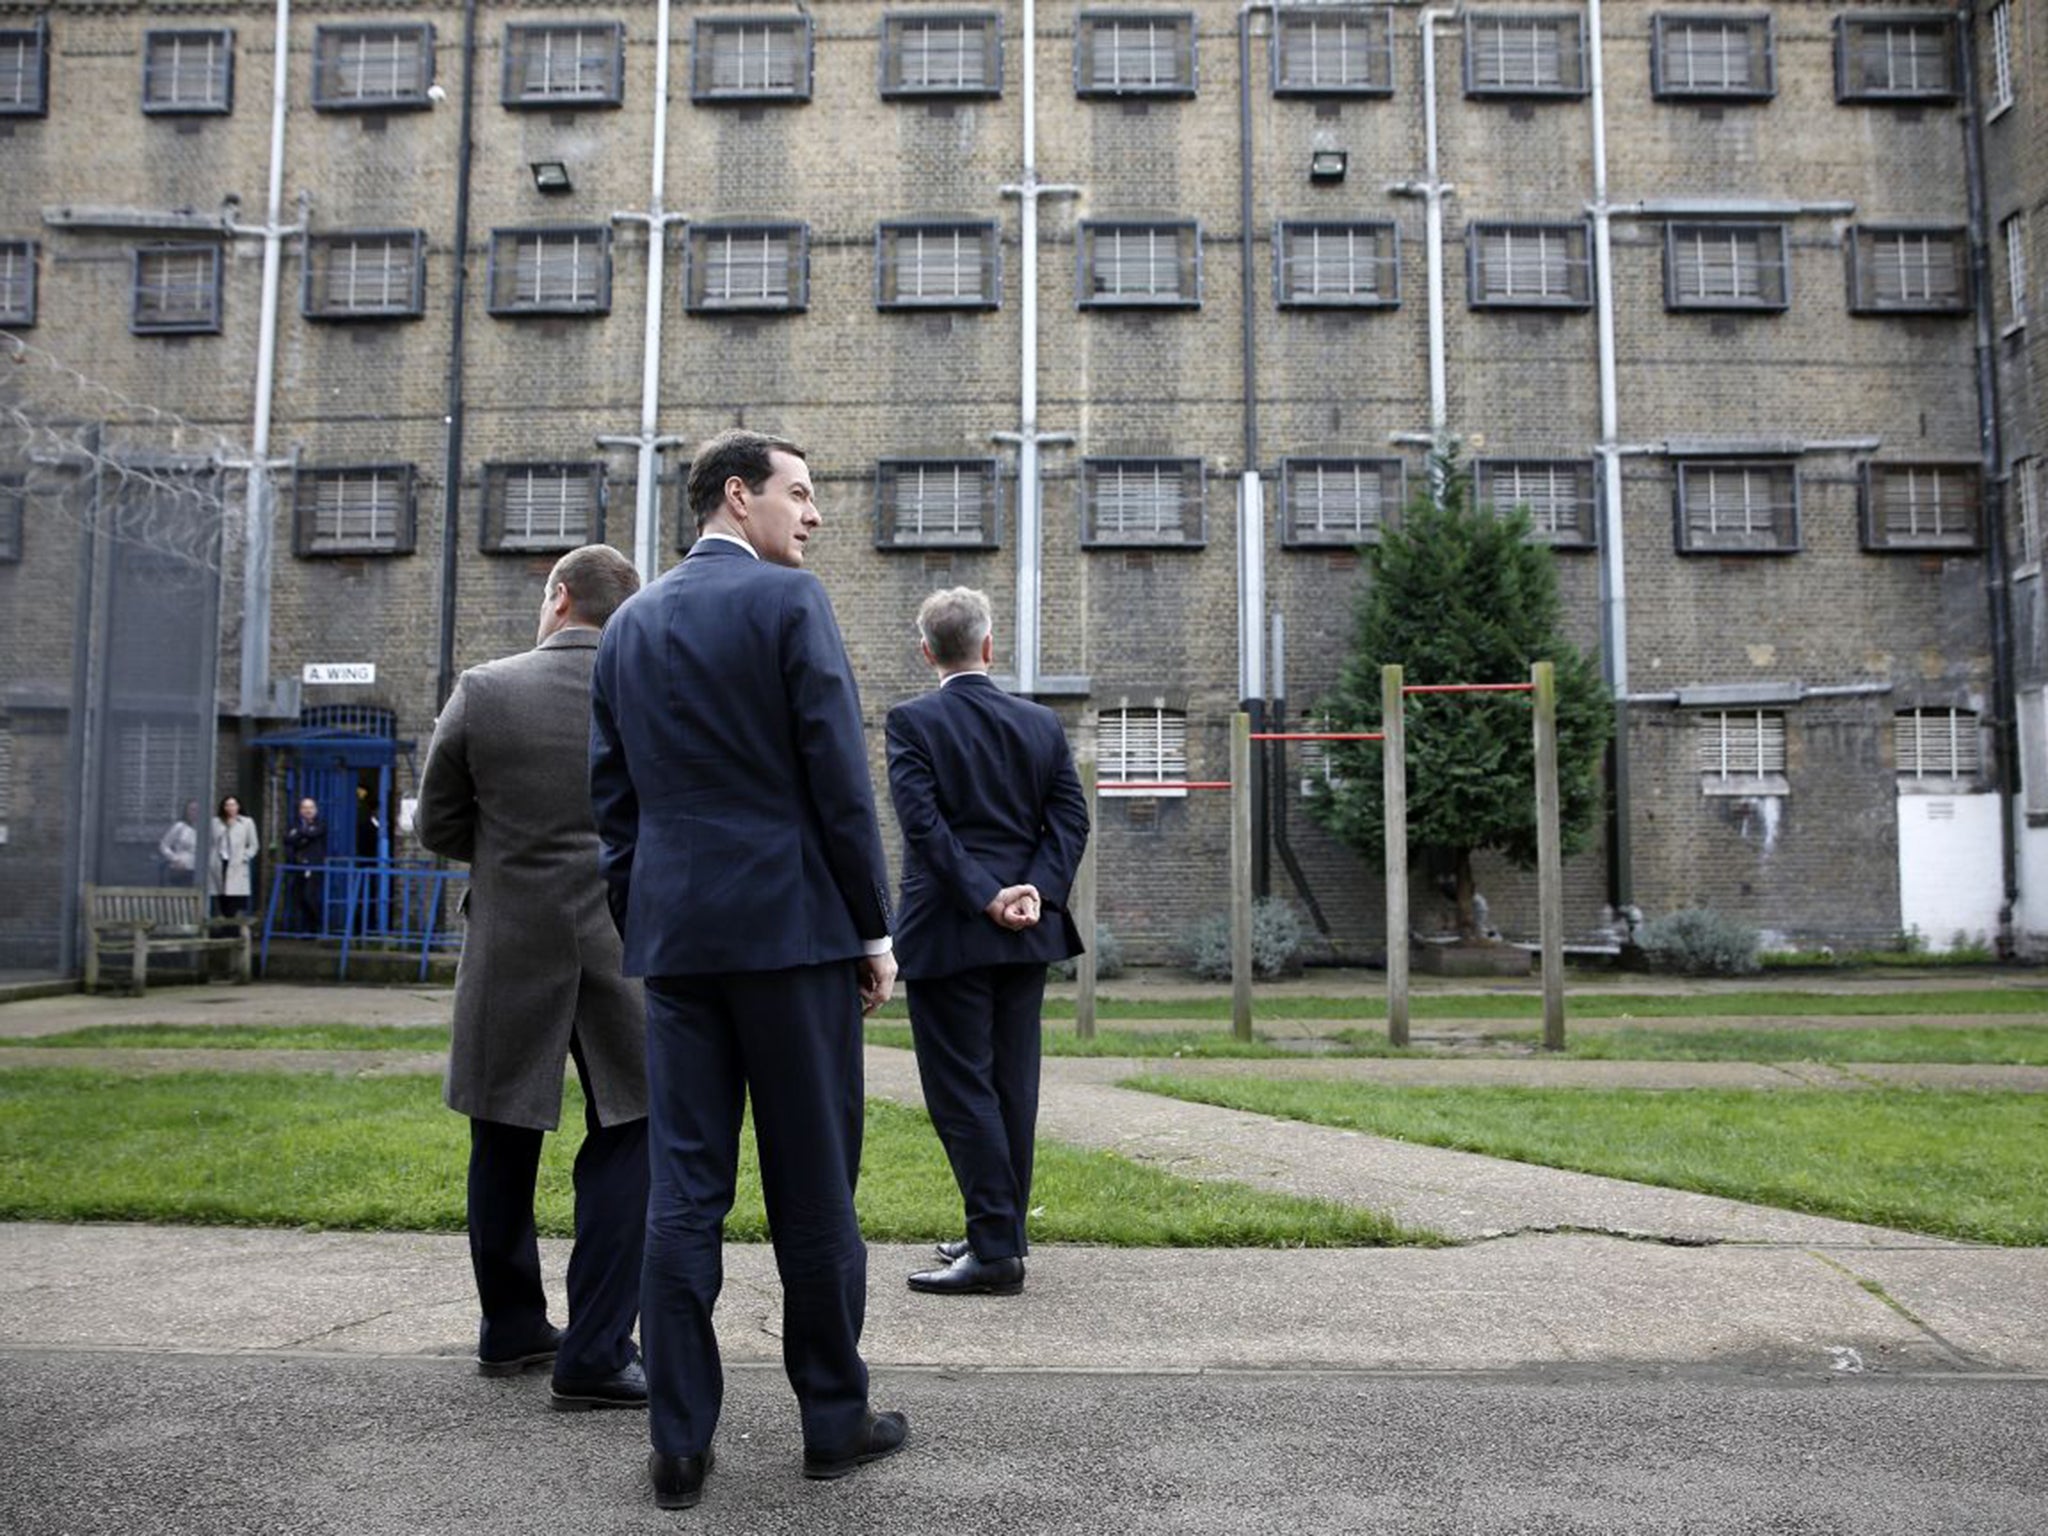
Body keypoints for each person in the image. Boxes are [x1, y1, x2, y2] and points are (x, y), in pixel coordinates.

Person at [589, 428, 905, 1511]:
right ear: (738, 495)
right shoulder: (787, 603)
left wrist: (653, 920)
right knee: (814, 1187)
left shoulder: (625, 624)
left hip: (678, 946)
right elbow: (836, 776)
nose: (813, 515)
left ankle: (679, 1440)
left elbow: (613, 808)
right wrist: (872, 928)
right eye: (801, 494)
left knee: (684, 1192)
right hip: (793, 935)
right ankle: (831, 1420)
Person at [414, 545, 653, 1411]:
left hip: (511, 939)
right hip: (622, 941)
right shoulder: (648, 693)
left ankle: (511, 1326)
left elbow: (437, 821)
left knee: (502, 1132)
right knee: (633, 1128)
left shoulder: (485, 688)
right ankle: (595, 1348)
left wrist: (510, 856)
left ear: (559, 598)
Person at [886, 588, 1090, 1297]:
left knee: (960, 1090)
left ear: (926, 652)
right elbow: (1070, 818)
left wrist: (984, 895)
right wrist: (1033, 888)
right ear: (989, 647)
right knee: (1011, 1087)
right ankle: (995, 1229)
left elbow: (924, 828)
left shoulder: (912, 722)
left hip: (950, 931)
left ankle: (997, 1249)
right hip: (1028, 931)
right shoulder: (1040, 724)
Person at [281, 796, 327, 934]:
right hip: (298, 865)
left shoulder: (321, 823)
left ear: (316, 810)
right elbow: (287, 839)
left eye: (311, 807)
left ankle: (317, 925)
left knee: (310, 896)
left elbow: (314, 834)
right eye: (305, 808)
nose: (308, 810)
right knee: (299, 897)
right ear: (300, 810)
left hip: (314, 865)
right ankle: (307, 928)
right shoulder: (293, 824)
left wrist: (300, 834)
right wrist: (303, 834)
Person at [208, 795, 259, 918]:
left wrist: (244, 857)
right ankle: (221, 931)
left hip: (237, 864)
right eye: (227, 805)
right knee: (221, 896)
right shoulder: (215, 822)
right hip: (219, 863)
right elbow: (209, 842)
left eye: (233, 805)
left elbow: (254, 845)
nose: (230, 808)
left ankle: (233, 930)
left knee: (236, 898)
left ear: (238, 806)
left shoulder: (246, 822)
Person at [157, 800, 201, 887]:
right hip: (182, 869)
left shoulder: (206, 829)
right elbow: (164, 845)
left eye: (197, 810)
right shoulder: (180, 827)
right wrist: (175, 859)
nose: (194, 813)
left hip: (200, 871)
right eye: (192, 809)